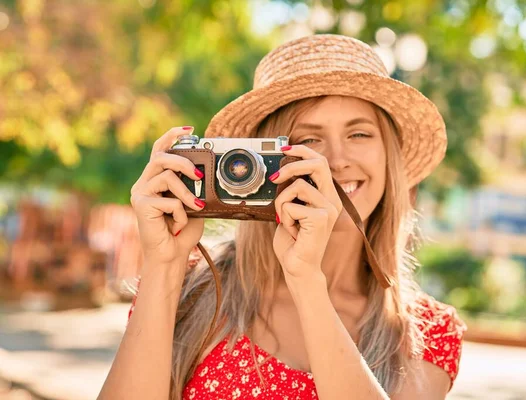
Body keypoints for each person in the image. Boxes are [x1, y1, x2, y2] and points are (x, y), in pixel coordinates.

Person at [99, 34, 467, 400]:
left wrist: (306, 279)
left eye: (359, 133)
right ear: (262, 164)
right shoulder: (191, 287)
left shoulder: (427, 331)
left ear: (389, 157)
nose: (337, 161)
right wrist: (164, 264)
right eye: (308, 140)